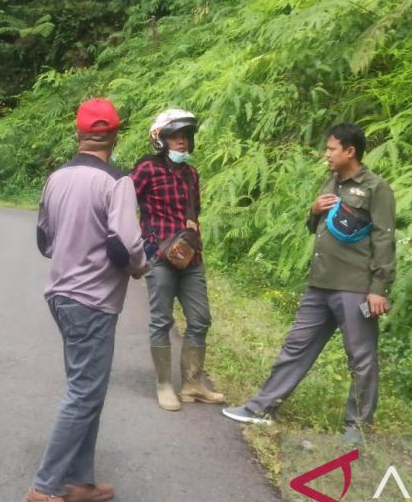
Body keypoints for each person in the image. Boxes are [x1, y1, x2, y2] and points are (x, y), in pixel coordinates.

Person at [222, 122, 395, 442]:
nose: (326, 154)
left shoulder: (375, 188)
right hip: (320, 283)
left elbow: (384, 239)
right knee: (295, 347)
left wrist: (378, 289)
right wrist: (314, 210)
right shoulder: (330, 181)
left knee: (361, 357)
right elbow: (314, 228)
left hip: (354, 286)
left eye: (331, 149)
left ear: (350, 151)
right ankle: (261, 408)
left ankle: (357, 428)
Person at [27, 98, 148, 502]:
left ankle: (79, 480)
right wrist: (140, 267)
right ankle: (46, 487)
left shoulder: (55, 178)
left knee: (88, 390)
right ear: (115, 136)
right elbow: (126, 245)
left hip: (61, 297)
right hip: (93, 301)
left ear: (79, 134)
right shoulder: (116, 182)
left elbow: (44, 239)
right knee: (83, 393)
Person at [132, 108, 225, 411]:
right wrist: (140, 242)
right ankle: (163, 385)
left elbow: (194, 213)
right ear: (160, 139)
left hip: (190, 257)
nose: (182, 142)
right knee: (162, 320)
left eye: (185, 137)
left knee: (200, 319)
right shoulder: (146, 169)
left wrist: (193, 234)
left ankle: (193, 384)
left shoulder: (191, 174)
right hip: (159, 256)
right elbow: (123, 202)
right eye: (174, 137)